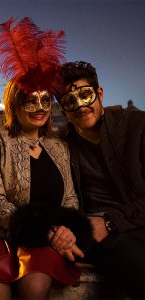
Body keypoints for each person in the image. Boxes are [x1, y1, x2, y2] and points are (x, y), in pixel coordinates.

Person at [0, 17, 92, 300]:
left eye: (45, 100)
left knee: (36, 282)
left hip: (48, 237)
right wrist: (45, 230)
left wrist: (64, 230)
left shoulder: (59, 147)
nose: (40, 108)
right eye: (30, 100)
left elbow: (70, 200)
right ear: (14, 104)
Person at [56, 61, 145, 299]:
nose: (81, 106)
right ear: (63, 109)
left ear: (100, 94)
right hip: (99, 242)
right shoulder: (61, 145)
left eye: (85, 95)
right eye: (70, 101)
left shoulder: (138, 126)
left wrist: (109, 223)